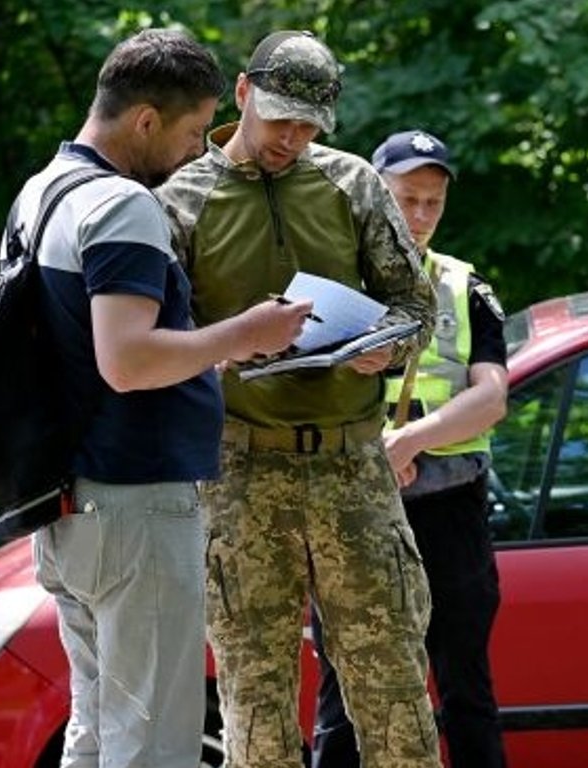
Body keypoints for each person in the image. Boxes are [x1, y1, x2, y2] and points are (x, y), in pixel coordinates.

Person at [22, 29, 313, 768]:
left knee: (95, 727)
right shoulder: (123, 206)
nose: (195, 151)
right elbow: (128, 361)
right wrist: (243, 333)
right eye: (190, 133)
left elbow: (85, 355)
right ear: (146, 120)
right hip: (135, 504)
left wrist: (205, 363)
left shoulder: (43, 194)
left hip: (68, 502)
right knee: (152, 743)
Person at [154, 31, 442, 768]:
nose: (293, 138)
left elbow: (414, 301)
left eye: (310, 125)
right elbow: (154, 339)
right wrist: (232, 342)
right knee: (255, 694)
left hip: (352, 466)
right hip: (241, 473)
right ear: (243, 94)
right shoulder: (180, 200)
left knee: (396, 692)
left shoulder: (352, 184)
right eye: (281, 118)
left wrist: (389, 346)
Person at [309, 130, 510, 768]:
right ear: (377, 198)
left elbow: (493, 397)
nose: (420, 216)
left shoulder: (464, 287)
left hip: (450, 508)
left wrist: (411, 440)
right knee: (344, 696)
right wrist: (377, 455)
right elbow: (296, 395)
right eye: (406, 200)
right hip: (354, 510)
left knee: (466, 693)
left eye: (433, 202)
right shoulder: (331, 284)